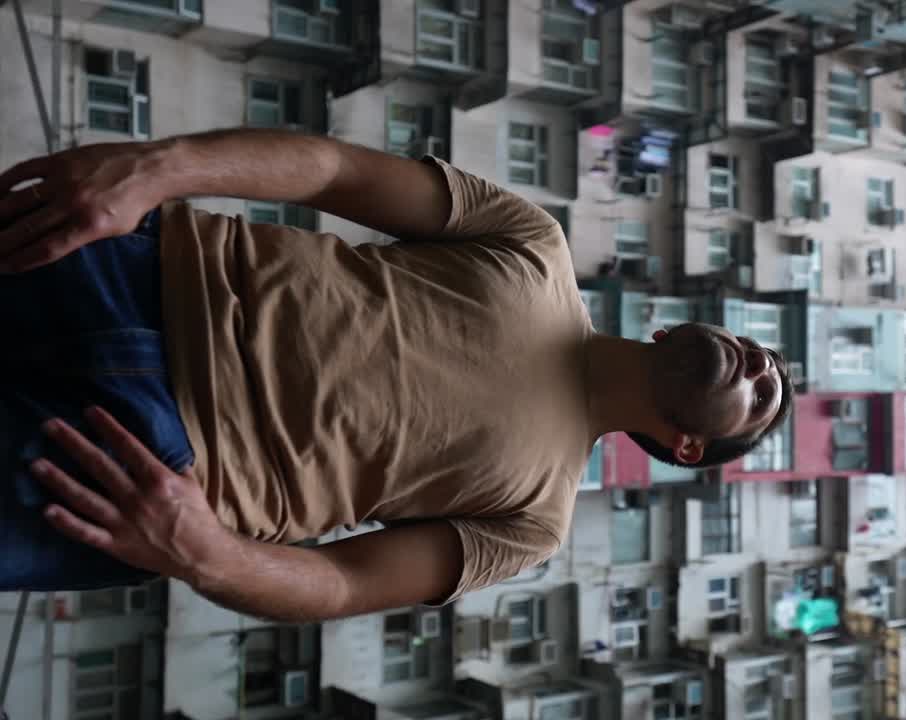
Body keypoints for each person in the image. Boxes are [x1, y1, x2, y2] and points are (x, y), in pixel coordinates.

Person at [0, 129, 793, 622]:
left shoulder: (533, 525)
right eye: (759, 352)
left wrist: (204, 554)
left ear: (688, 448)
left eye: (761, 396)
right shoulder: (534, 243)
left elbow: (343, 585)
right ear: (670, 328)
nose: (757, 365)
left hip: (148, 473)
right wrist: (156, 168)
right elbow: (334, 171)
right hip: (138, 268)